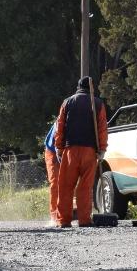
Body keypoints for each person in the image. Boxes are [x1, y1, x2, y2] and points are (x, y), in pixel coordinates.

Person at [54, 76, 108, 227]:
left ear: (78, 88)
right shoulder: (98, 103)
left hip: (70, 150)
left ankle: (63, 220)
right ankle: (84, 220)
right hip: (90, 151)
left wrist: (59, 147)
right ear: (92, 88)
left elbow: (60, 126)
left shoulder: (67, 102)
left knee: (66, 186)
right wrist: (102, 149)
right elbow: (102, 128)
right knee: (85, 187)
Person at [43, 121, 61, 227]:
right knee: (55, 183)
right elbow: (57, 137)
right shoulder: (61, 121)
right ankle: (54, 217)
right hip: (52, 151)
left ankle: (68, 213)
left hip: (66, 151)